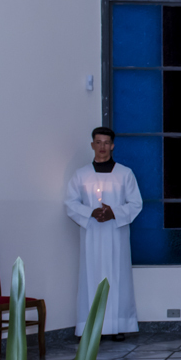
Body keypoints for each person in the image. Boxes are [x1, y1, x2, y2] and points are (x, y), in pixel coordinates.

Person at [64, 127, 142, 341]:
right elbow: (70, 203)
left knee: (117, 279)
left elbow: (136, 203)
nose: (102, 147)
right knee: (91, 278)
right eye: (98, 142)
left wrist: (113, 213)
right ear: (92, 145)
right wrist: (91, 212)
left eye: (106, 143)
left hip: (116, 235)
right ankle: (89, 327)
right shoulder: (81, 175)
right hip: (92, 236)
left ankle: (117, 326)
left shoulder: (125, 174)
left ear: (112, 145)